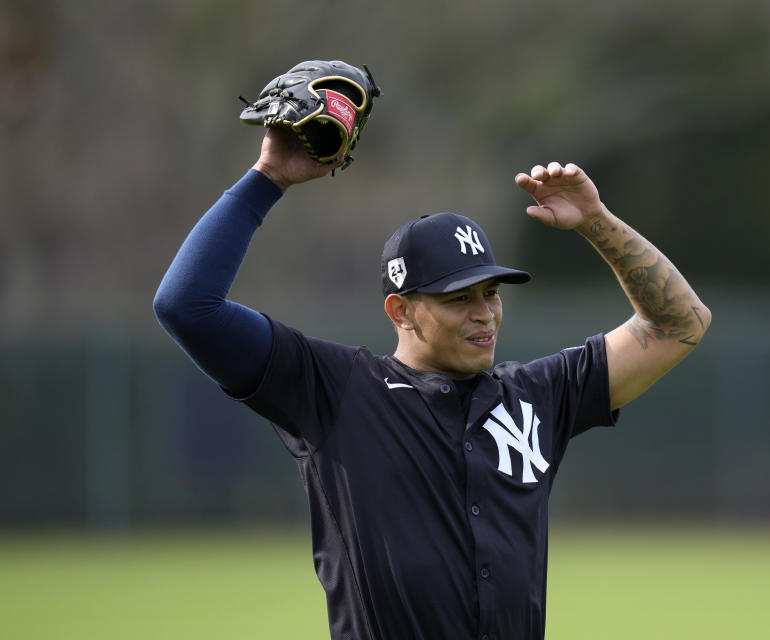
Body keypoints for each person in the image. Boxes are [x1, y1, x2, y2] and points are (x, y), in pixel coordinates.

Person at [153, 128, 711, 640]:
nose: (485, 313)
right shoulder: (337, 391)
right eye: (458, 298)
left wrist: (597, 222)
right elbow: (187, 306)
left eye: (491, 293)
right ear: (401, 310)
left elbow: (680, 324)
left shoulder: (539, 397)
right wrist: (268, 178)